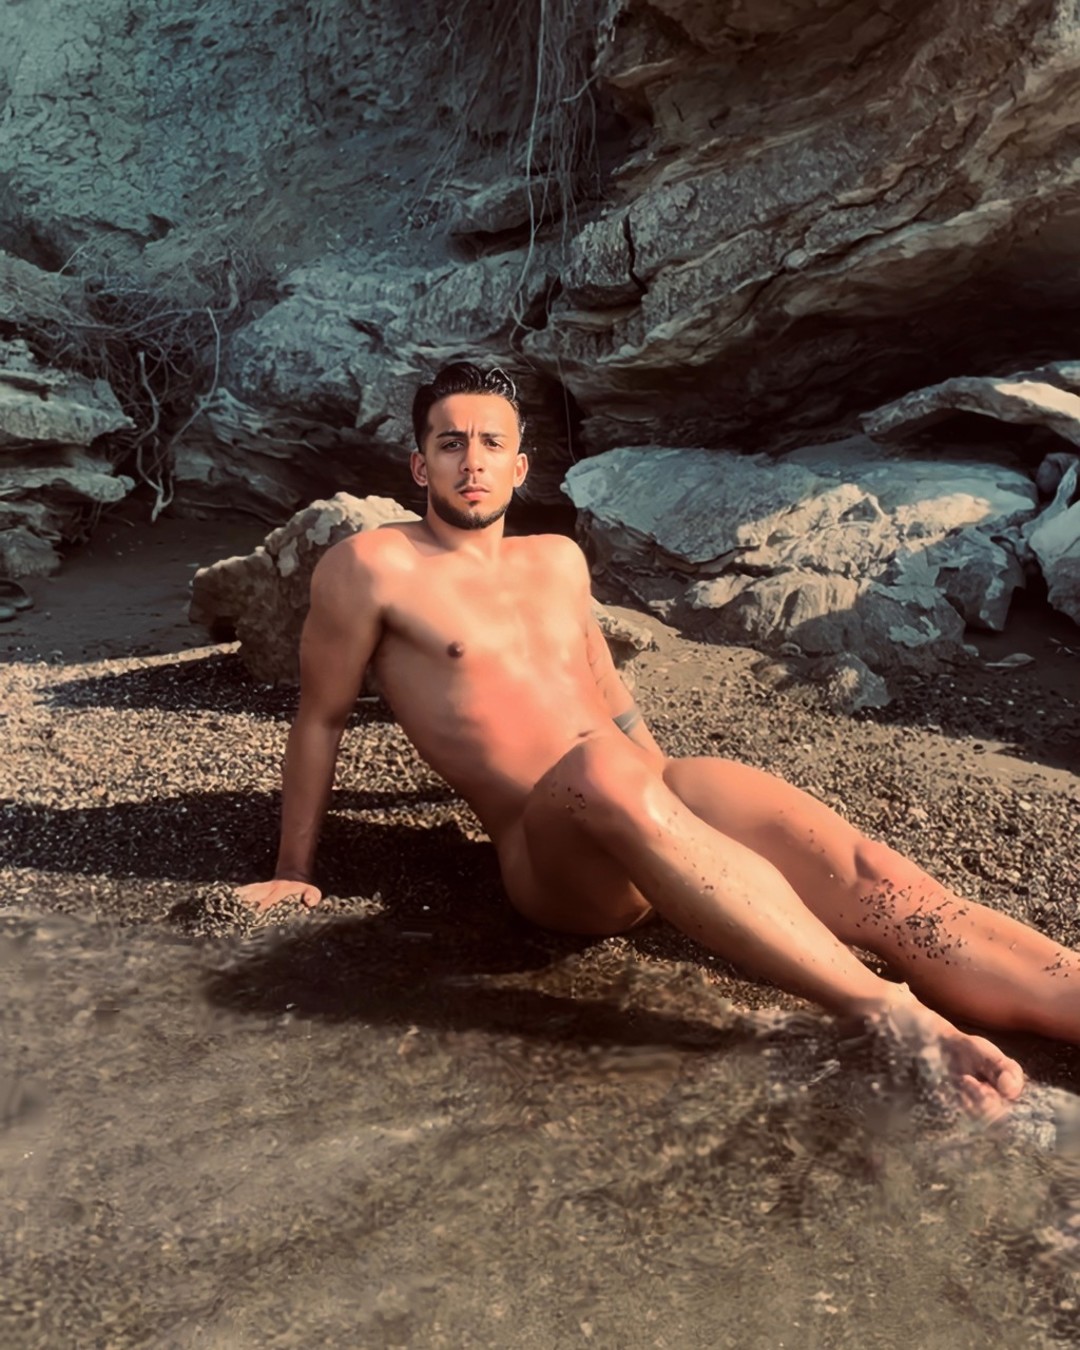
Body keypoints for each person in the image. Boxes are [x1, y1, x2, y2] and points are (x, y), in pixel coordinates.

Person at [238, 361, 1080, 1110]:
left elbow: (606, 689)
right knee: (603, 771)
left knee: (873, 879)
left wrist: (672, 798)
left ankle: (1065, 992)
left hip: (642, 796)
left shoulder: (557, 560)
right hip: (554, 849)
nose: (473, 461)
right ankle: (887, 1013)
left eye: (492, 443)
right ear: (421, 465)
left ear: (521, 466)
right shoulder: (371, 566)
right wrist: (293, 870)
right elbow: (322, 717)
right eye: (450, 443)